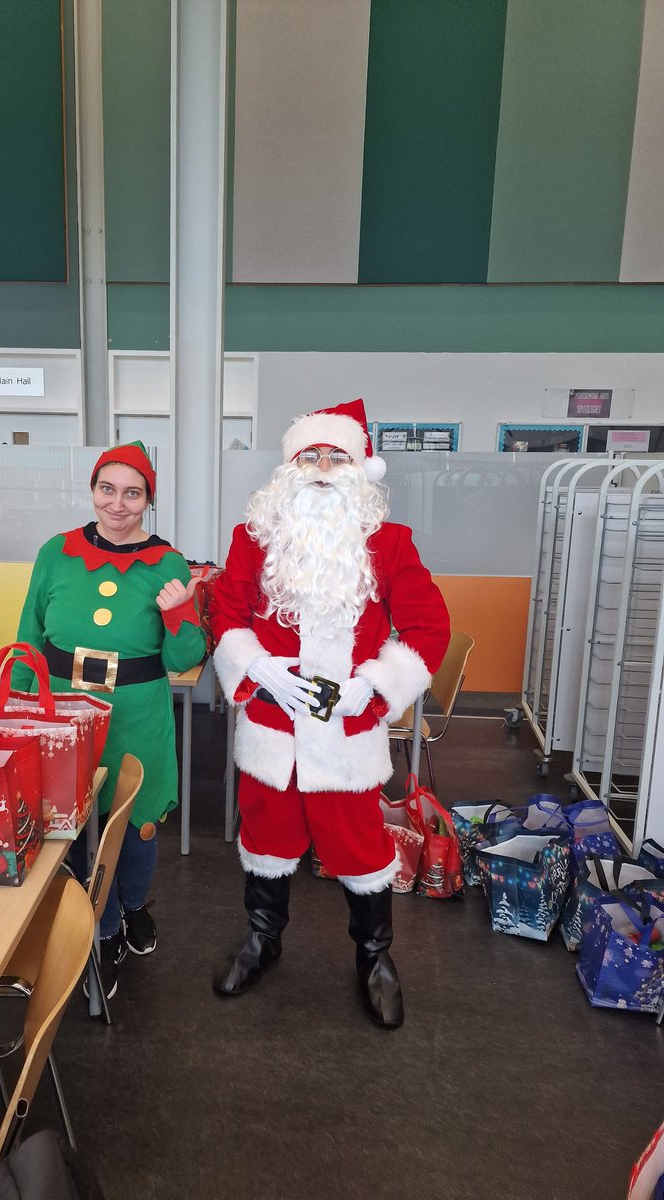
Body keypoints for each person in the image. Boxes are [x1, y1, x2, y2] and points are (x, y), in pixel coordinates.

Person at [208, 399, 450, 1028]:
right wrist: (257, 668)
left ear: (359, 466)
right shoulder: (254, 538)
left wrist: (368, 688)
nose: (319, 467)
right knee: (266, 841)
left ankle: (376, 959)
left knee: (361, 848)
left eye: (334, 456)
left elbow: (427, 626)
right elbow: (227, 615)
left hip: (347, 733)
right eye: (308, 455)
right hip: (271, 726)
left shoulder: (389, 543)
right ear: (289, 467)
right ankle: (263, 941)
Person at [11, 441, 205, 999]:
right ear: (93, 491)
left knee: (135, 827)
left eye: (132, 493)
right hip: (64, 711)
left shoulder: (168, 563)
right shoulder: (57, 551)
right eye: (107, 489)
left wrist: (178, 613)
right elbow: (29, 633)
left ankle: (133, 904)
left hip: (137, 714)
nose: (117, 504)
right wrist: (22, 708)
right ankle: (106, 928)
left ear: (148, 500)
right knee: (73, 829)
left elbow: (182, 659)